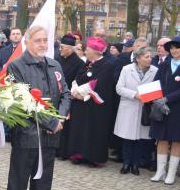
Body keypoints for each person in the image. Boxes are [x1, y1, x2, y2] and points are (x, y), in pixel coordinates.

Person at [3, 25, 71, 190]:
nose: (42, 44)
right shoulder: (16, 67)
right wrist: (51, 122)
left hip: (51, 135)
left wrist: (59, 118)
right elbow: (23, 102)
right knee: (19, 179)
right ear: (27, 42)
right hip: (27, 134)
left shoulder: (55, 65)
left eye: (45, 40)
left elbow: (66, 93)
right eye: (38, 40)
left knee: (43, 179)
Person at [67, 37, 117, 167]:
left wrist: (82, 94)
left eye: (87, 50)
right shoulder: (88, 63)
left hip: (96, 106)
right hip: (81, 104)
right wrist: (75, 90)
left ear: (95, 51)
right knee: (80, 128)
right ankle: (78, 154)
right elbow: (77, 78)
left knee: (93, 131)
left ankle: (93, 157)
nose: (85, 52)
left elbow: (98, 84)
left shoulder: (107, 65)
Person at [114, 46, 158, 175]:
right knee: (128, 137)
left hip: (145, 109)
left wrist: (150, 97)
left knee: (140, 138)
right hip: (129, 106)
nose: (150, 59)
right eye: (147, 57)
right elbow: (119, 88)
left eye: (151, 57)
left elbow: (157, 89)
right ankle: (126, 163)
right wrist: (135, 95)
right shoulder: (127, 69)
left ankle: (135, 164)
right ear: (138, 58)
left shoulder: (155, 71)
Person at [149, 36, 180, 185]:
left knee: (176, 140)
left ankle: (171, 173)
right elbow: (156, 82)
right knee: (161, 138)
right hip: (161, 107)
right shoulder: (165, 64)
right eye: (172, 48)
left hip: (177, 109)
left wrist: (167, 99)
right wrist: (158, 99)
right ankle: (160, 171)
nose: (174, 50)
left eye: (177, 47)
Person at [56, 34, 84, 160]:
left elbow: (77, 81)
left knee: (66, 125)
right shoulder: (56, 59)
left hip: (68, 97)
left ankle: (63, 151)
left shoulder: (78, 63)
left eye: (62, 47)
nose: (60, 49)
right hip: (55, 95)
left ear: (70, 48)